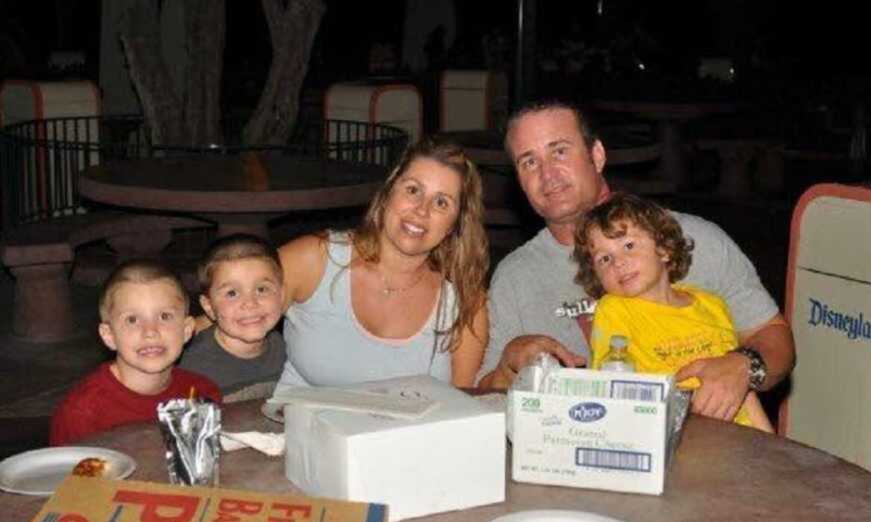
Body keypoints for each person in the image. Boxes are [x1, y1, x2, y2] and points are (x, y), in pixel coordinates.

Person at [478, 100, 795, 425]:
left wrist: (743, 366)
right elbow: (483, 395)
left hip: (716, 450)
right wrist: (509, 365)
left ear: (597, 155)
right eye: (529, 162)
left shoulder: (693, 238)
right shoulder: (516, 275)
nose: (547, 174)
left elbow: (775, 338)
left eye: (559, 151)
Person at [274, 137, 489, 392]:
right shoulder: (314, 259)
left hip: (411, 433)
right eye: (412, 190)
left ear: (454, 224)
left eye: (441, 202)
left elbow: (462, 413)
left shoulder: (466, 303)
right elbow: (220, 323)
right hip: (290, 428)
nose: (422, 210)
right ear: (388, 194)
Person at [573, 193, 773, 432]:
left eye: (628, 245)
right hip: (668, 440)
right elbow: (612, 387)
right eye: (604, 259)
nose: (618, 262)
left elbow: (743, 391)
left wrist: (771, 444)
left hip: (737, 440)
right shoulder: (614, 310)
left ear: (664, 249)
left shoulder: (712, 306)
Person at [50, 260, 221, 446]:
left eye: (164, 316)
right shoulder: (82, 414)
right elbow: (65, 474)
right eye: (132, 320)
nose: (150, 331)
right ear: (109, 336)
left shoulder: (201, 394)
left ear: (187, 330)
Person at [180, 234, 286, 400]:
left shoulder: (285, 349)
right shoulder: (191, 367)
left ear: (281, 295)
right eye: (232, 293)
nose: (250, 303)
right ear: (208, 306)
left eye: (262, 289)